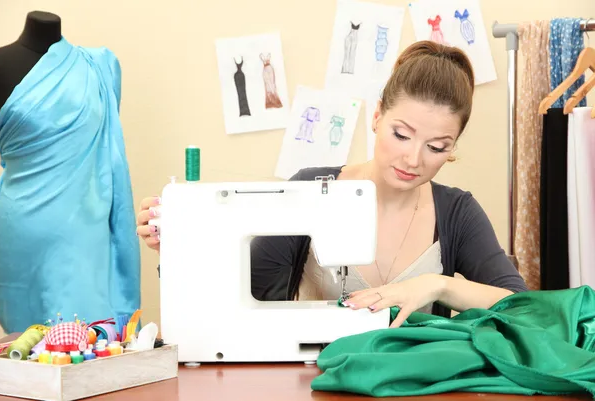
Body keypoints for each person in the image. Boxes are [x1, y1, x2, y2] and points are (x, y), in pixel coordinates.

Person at [136, 41, 528, 328]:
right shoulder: (310, 190)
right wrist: (179, 249)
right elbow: (233, 292)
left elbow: (524, 309)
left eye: (437, 147)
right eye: (401, 134)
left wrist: (438, 286)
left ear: (452, 147)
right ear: (376, 116)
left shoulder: (457, 214)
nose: (413, 159)